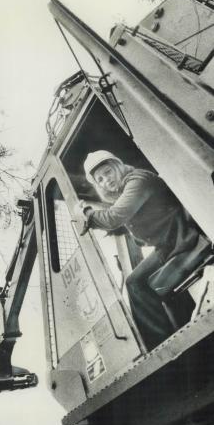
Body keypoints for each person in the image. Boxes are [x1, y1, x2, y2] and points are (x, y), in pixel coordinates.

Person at [76, 150, 210, 351]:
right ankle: (166, 340)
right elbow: (127, 220)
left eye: (107, 172)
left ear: (117, 166)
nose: (105, 181)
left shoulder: (137, 180)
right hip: (169, 245)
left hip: (184, 238)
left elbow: (114, 217)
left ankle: (162, 345)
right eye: (100, 179)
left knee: (137, 283)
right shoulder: (127, 190)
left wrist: (86, 212)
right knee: (135, 281)